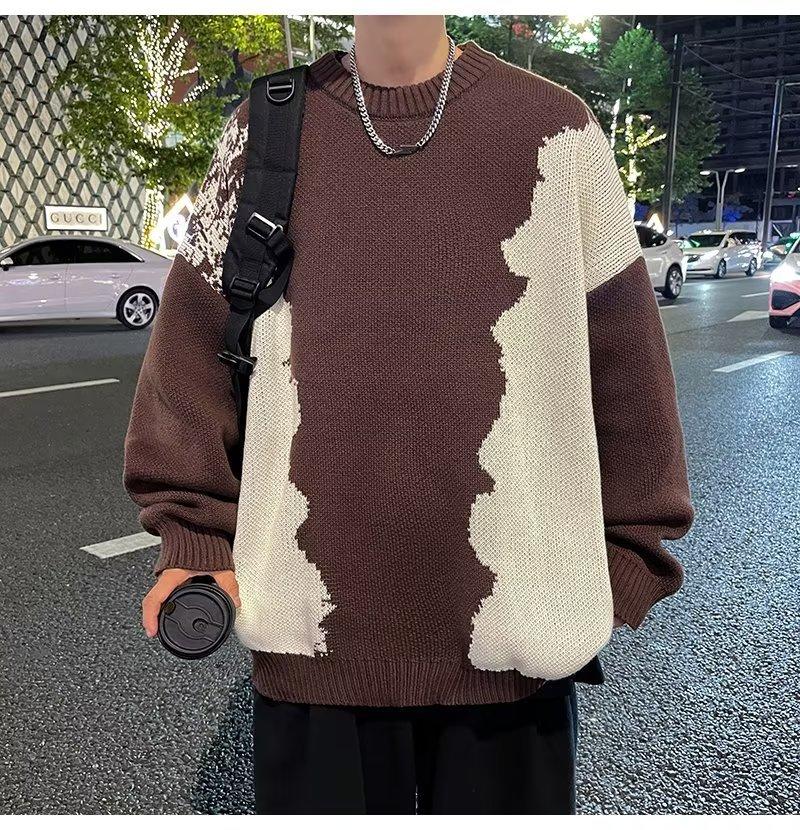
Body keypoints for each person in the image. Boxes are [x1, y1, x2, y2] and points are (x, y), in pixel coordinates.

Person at [124, 14, 693, 815]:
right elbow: (191, 351)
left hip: (514, 643)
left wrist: (624, 561)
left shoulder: (558, 129)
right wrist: (193, 536)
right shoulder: (265, 129)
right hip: (310, 643)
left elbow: (626, 366)